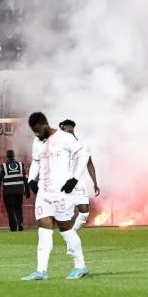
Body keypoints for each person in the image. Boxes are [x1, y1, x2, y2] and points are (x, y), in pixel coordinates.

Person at [22, 112, 89, 281]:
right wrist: (31, 180)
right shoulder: (37, 142)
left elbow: (84, 155)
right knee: (43, 231)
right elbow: (36, 162)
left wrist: (73, 179)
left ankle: (80, 265)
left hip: (61, 193)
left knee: (66, 230)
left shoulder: (64, 138)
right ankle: (41, 271)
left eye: (38, 130)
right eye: (34, 132)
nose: (37, 134)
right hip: (44, 194)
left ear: (45, 124)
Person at [58, 119, 100, 234]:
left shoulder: (83, 145)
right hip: (63, 183)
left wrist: (95, 182)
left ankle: (73, 234)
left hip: (78, 182)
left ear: (70, 129)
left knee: (84, 213)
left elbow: (89, 163)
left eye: (65, 129)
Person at [0, 149, 29, 232]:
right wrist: (27, 190)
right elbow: (25, 178)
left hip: (8, 192)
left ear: (7, 156)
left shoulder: (4, 166)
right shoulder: (20, 165)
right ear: (14, 156)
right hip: (19, 191)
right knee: (18, 208)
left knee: (10, 209)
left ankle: (13, 227)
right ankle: (20, 224)